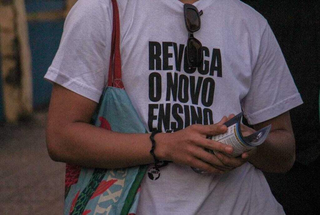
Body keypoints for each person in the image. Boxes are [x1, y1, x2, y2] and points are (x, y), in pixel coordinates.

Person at [45, 0, 303, 214]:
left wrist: (248, 144)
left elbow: (284, 151)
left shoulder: (250, 23)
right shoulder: (102, 10)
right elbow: (61, 137)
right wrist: (165, 145)